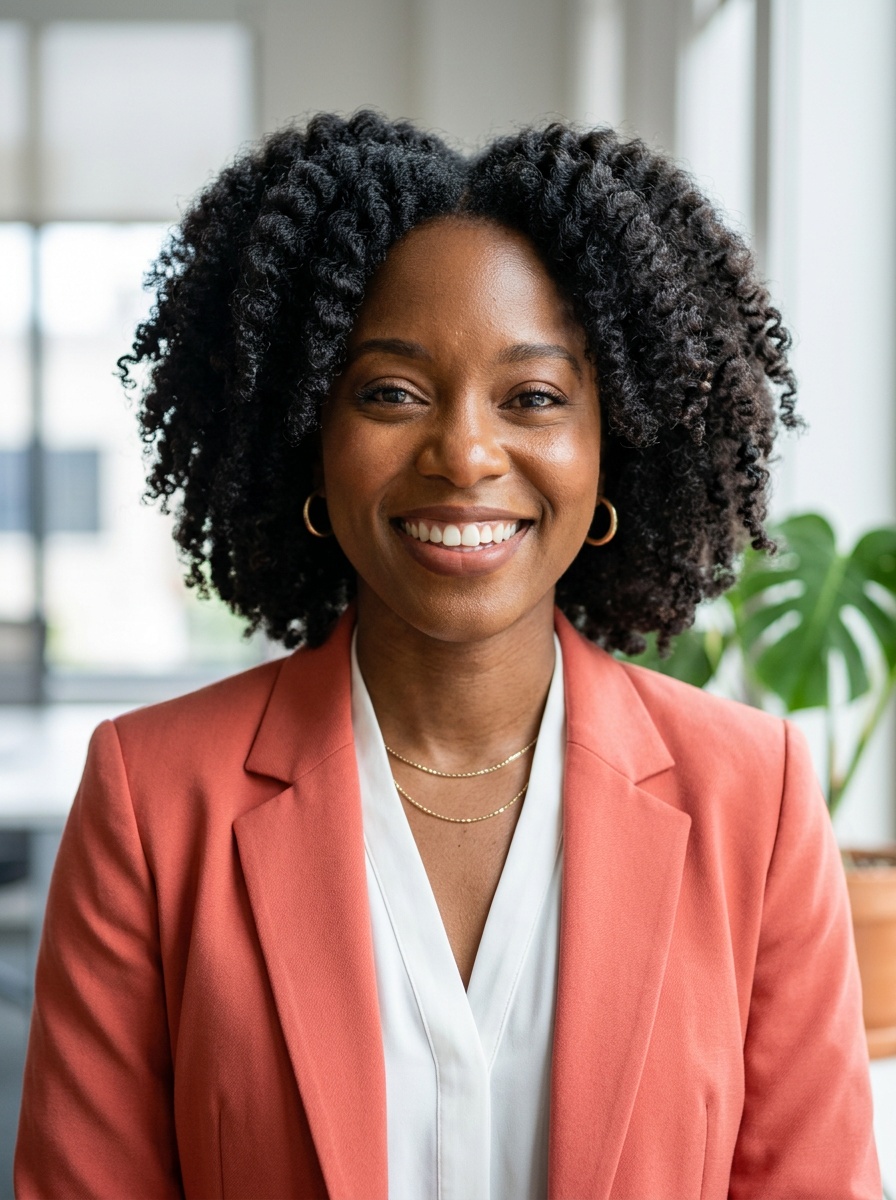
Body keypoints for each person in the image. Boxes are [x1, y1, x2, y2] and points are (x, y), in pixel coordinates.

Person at [15, 111, 880, 1200]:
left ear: (612, 442)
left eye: (532, 398)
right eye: (391, 393)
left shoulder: (750, 803)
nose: (464, 452)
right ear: (307, 433)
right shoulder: (152, 800)